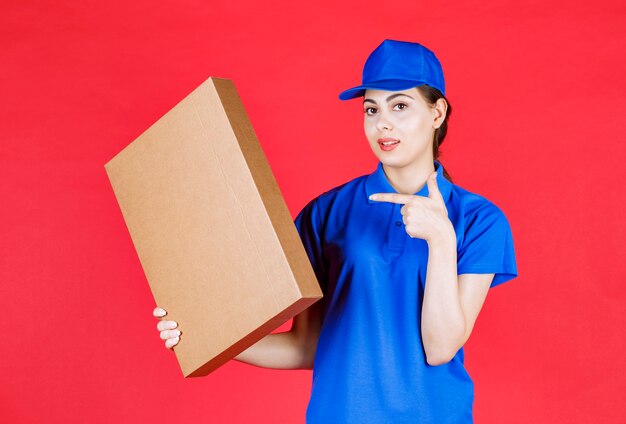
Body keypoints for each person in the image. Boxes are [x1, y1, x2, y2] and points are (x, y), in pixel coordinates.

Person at [153, 39, 518, 423]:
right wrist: (207, 337)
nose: (383, 123)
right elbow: (305, 347)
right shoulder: (325, 213)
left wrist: (441, 240)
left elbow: (440, 347)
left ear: (437, 113)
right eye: (371, 109)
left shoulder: (479, 220)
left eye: (400, 106)